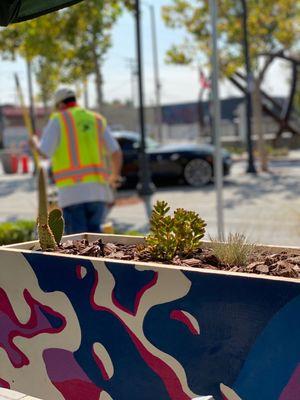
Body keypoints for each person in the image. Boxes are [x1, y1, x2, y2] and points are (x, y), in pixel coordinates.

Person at [31, 88, 123, 234]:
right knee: (95, 242)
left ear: (60, 105)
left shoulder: (58, 120)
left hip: (72, 193)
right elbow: (116, 152)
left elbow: (43, 152)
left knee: (77, 245)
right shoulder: (96, 119)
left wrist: (35, 142)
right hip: (98, 191)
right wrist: (114, 177)